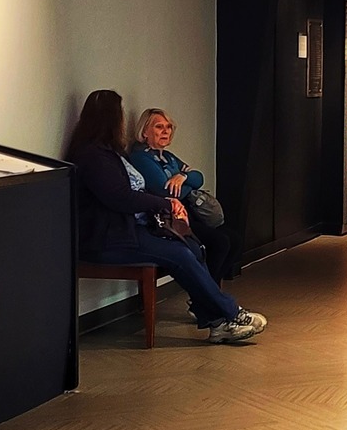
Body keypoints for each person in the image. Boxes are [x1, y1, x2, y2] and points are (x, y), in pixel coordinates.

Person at [65, 89, 265, 344]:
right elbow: (121, 197)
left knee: (191, 246)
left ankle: (216, 321)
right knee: (180, 253)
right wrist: (166, 203)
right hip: (107, 238)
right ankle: (230, 313)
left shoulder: (109, 153)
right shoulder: (94, 156)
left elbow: (194, 177)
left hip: (122, 230)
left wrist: (176, 190)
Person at [128, 107, 235, 282]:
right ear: (145, 132)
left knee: (234, 239)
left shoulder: (169, 157)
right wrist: (186, 182)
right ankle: (206, 294)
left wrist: (182, 177)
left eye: (168, 127)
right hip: (167, 216)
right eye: (159, 127)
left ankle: (210, 291)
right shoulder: (140, 157)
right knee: (220, 242)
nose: (165, 131)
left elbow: (199, 178)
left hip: (189, 210)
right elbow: (166, 190)